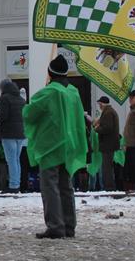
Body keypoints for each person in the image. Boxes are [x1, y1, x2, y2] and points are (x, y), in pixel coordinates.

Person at [22, 55, 88, 239]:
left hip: (50, 145)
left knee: (50, 186)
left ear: (50, 73)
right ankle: (69, 226)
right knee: (66, 186)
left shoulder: (49, 92)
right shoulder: (73, 92)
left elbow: (29, 114)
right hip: (69, 145)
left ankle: (55, 226)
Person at [0, 79, 25, 193]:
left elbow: (3, 115)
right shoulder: (21, 99)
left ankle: (13, 186)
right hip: (20, 133)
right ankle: (16, 183)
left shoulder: (4, 98)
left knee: (11, 160)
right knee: (16, 159)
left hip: (8, 133)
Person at [93, 96, 120, 191]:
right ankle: (109, 186)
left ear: (102, 104)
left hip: (108, 144)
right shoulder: (110, 111)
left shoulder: (108, 113)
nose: (99, 106)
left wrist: (97, 128)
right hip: (109, 144)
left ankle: (109, 187)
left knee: (107, 167)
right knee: (107, 166)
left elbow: (108, 128)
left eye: (99, 104)